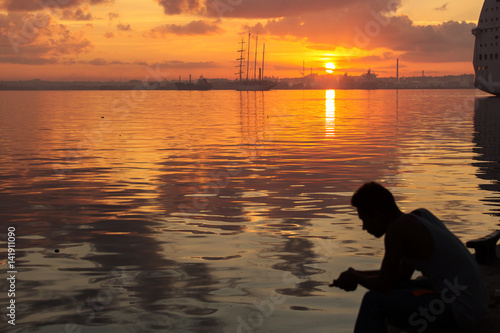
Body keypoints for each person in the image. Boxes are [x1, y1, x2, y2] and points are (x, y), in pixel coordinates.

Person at [331, 182, 489, 332]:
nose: (364, 227)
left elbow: (384, 284)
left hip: (461, 310)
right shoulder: (420, 216)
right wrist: (355, 274)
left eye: (364, 220)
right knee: (414, 285)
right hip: (475, 302)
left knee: (373, 301)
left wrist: (356, 277)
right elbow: (399, 276)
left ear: (378, 215)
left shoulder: (397, 231)